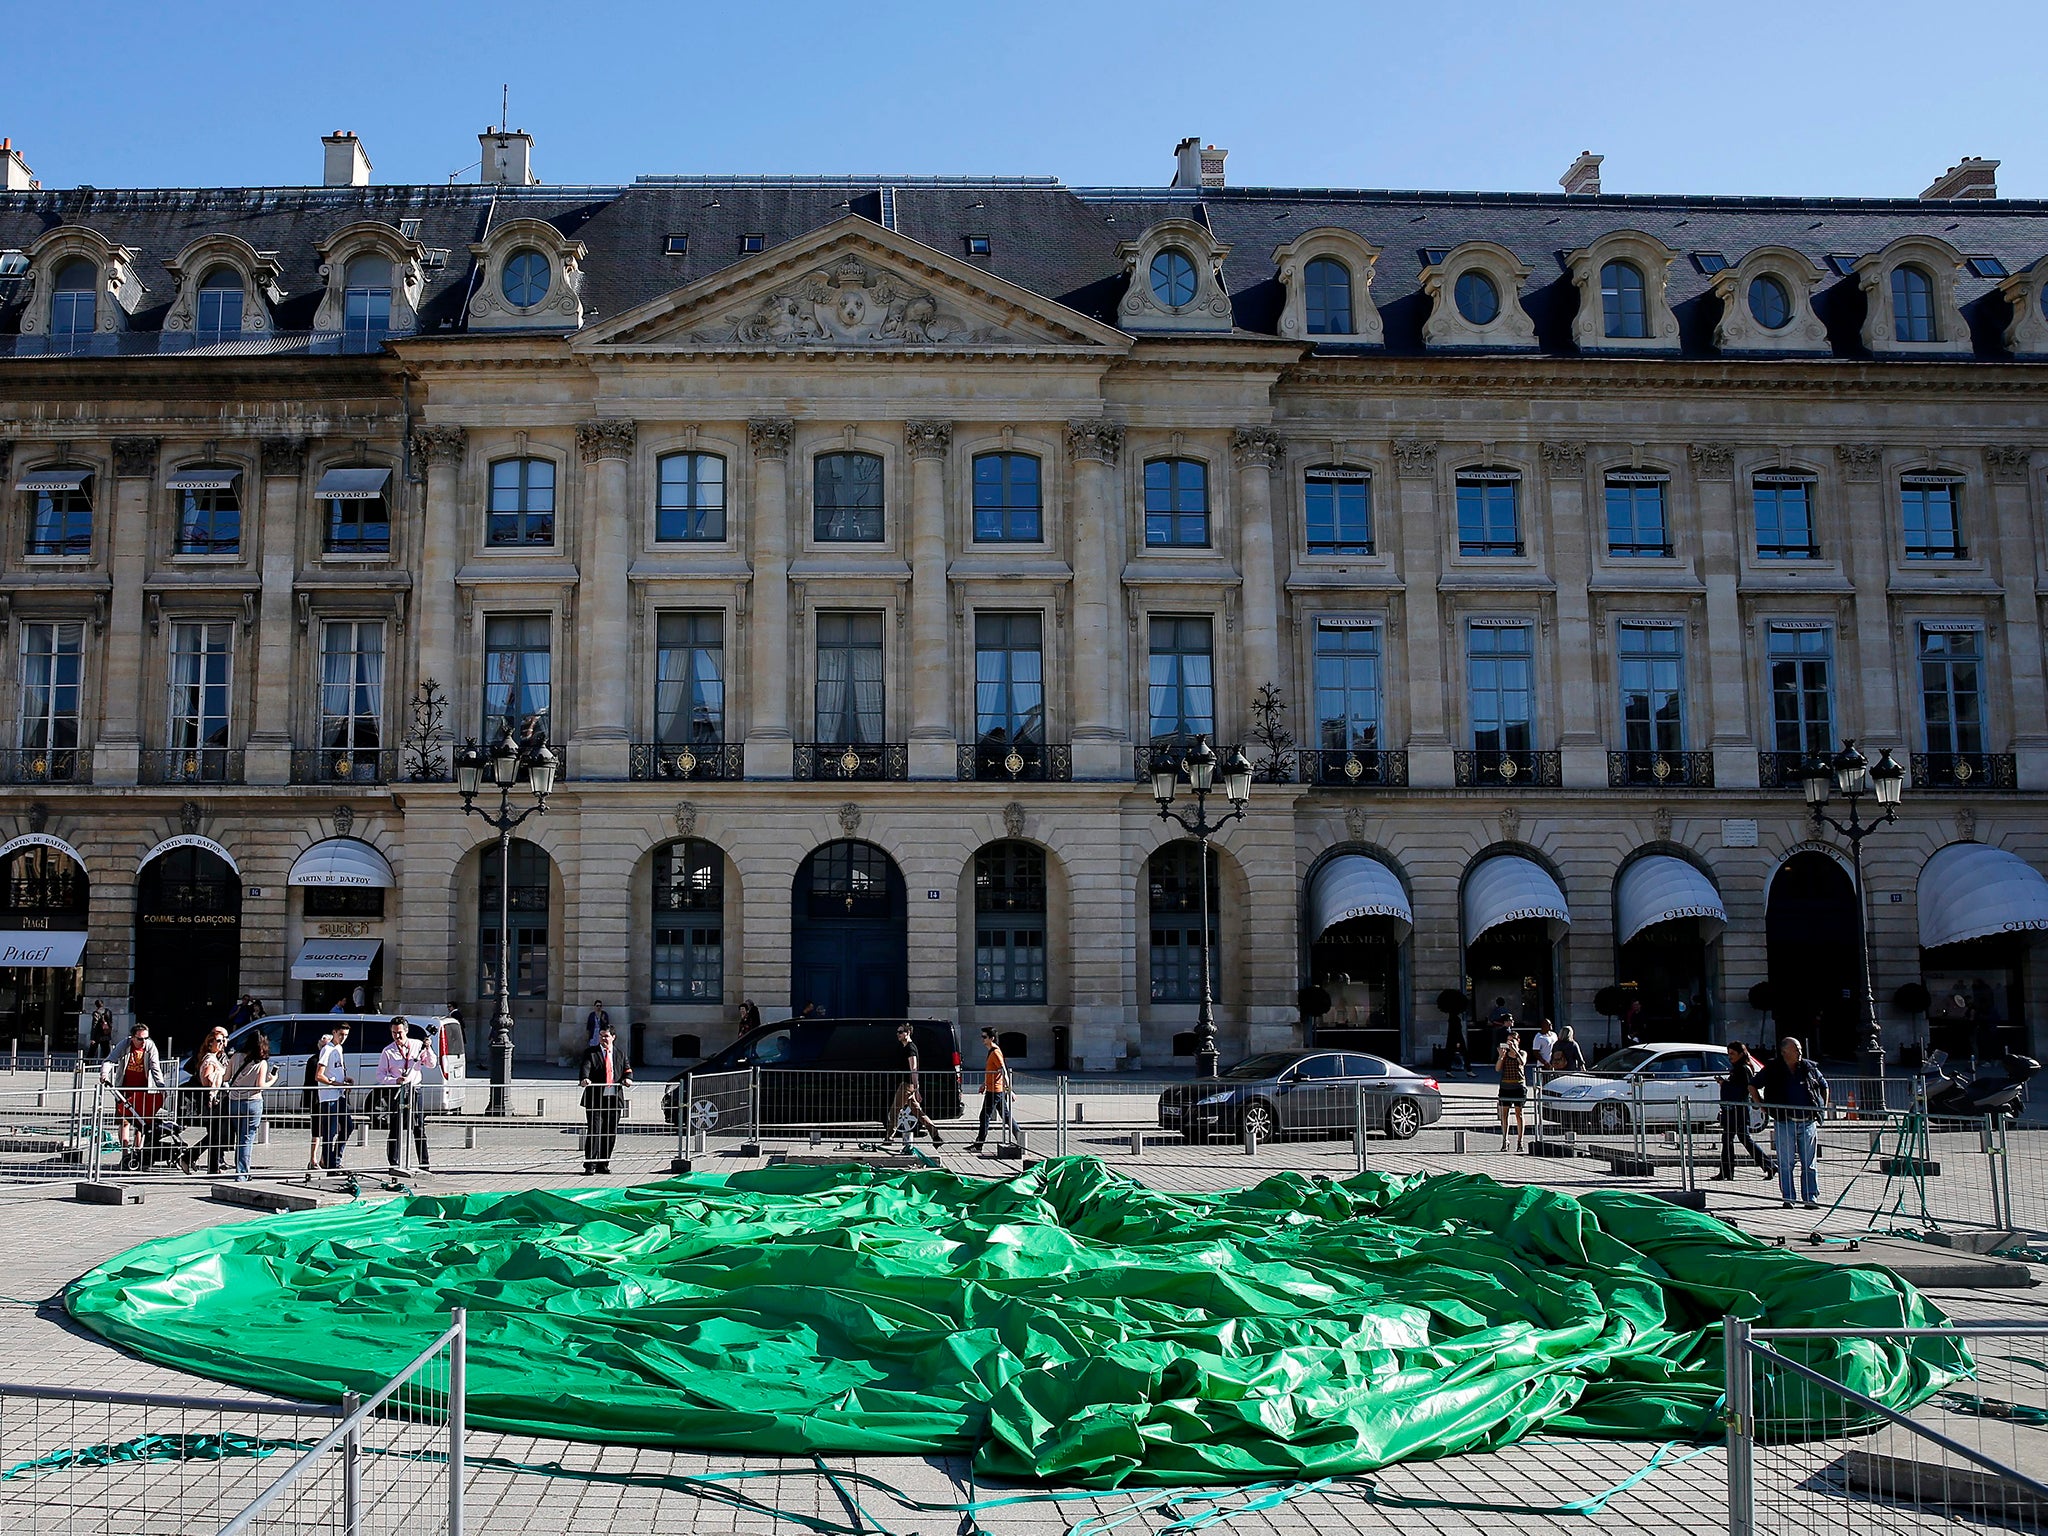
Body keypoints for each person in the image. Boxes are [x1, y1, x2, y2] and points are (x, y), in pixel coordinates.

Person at [1755, 1035, 1829, 1210]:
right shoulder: (1773, 1068)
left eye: (1800, 1049)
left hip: (1808, 1121)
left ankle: (1811, 1198)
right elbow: (1753, 1085)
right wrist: (1762, 1105)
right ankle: (1789, 1198)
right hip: (1784, 1121)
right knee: (1786, 1162)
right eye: (1796, 1049)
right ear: (1784, 1052)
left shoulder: (1808, 1067)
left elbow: (1824, 1085)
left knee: (1809, 1162)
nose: (1800, 1052)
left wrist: (1822, 1108)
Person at [103, 1023, 164, 1171]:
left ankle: (137, 1153)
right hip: (124, 1089)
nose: (143, 1042)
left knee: (140, 1123)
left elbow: (155, 1067)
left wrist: (161, 1086)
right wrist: (104, 1073)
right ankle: (125, 1154)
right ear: (133, 1037)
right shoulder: (124, 1044)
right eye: (140, 1039)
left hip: (143, 1089)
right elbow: (110, 1059)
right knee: (124, 1122)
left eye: (146, 1038)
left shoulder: (150, 1047)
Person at [1714, 1041, 1776, 1182]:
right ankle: (1726, 1172)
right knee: (1730, 1139)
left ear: (1741, 1054)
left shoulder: (1743, 1069)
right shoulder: (1739, 1068)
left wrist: (1724, 1084)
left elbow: (1743, 1089)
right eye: (1728, 1054)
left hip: (1738, 1109)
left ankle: (1769, 1166)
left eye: (1732, 1054)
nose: (1730, 1057)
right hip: (1735, 1109)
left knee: (1742, 1139)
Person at [377, 1018, 431, 1171]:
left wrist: (428, 1049)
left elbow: (431, 1064)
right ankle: (394, 1163)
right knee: (395, 1127)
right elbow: (380, 1075)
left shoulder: (417, 1045)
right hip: (398, 1091)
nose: (397, 1036)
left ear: (406, 1031)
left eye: (399, 1032)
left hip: (415, 1089)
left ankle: (424, 1164)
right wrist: (395, 1080)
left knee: (419, 1127)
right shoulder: (388, 1051)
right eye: (394, 1033)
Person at [577, 1020, 631, 1174]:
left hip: (614, 1099)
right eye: (601, 1036)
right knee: (594, 1131)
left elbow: (627, 1070)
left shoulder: (620, 1054)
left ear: (613, 1037)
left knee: (610, 1132)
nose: (603, 1039)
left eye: (606, 1036)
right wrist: (584, 1079)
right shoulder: (591, 1053)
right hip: (595, 1099)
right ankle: (590, 1165)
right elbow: (585, 1068)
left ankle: (604, 1163)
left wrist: (628, 1079)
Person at [225, 1031, 276, 1181]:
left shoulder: (235, 1057)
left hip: (234, 1101)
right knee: (246, 1138)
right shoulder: (261, 1062)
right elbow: (259, 1086)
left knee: (239, 1137)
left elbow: (226, 1077)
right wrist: (272, 1080)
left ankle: (240, 1170)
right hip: (252, 1102)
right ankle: (242, 1173)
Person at [884, 1023, 942, 1146]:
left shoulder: (910, 1048)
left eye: (900, 1032)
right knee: (918, 1112)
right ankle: (936, 1135)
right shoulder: (904, 1047)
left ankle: (889, 1138)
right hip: (907, 1084)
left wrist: (916, 1089)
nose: (898, 1034)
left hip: (907, 1085)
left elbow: (914, 1069)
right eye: (898, 1032)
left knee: (894, 1110)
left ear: (908, 1033)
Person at [184, 1025, 231, 1177]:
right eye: (218, 1040)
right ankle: (189, 1156)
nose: (222, 1043)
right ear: (210, 1043)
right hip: (212, 1099)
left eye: (223, 1040)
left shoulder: (217, 1057)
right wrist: (218, 1077)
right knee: (215, 1134)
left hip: (218, 1098)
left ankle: (212, 1165)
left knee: (216, 1134)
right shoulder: (210, 1058)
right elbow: (207, 1079)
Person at [966, 1027, 1021, 1153]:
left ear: (992, 1038)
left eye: (984, 1037)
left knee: (984, 1116)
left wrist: (1010, 1090)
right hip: (994, 1089)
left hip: (995, 1090)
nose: (982, 1039)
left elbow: (1003, 1071)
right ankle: (1020, 1136)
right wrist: (984, 1084)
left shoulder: (995, 1052)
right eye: (982, 1036)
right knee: (1005, 1116)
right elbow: (993, 1071)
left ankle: (979, 1145)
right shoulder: (991, 1051)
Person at [315, 1022, 353, 1172]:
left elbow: (335, 1070)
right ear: (334, 1033)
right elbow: (319, 1075)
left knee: (348, 1126)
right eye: (341, 1034)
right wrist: (336, 1083)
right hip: (329, 1096)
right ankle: (330, 1164)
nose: (343, 1038)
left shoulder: (339, 1048)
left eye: (346, 1035)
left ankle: (335, 1158)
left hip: (339, 1094)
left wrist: (344, 1080)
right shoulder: (327, 1050)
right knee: (330, 1132)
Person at [1495, 1030, 1528, 1151]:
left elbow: (1522, 1063)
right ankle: (1505, 1140)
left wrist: (1515, 1050)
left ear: (1518, 1041)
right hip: (1505, 1087)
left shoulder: (1522, 1052)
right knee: (1504, 1115)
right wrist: (1501, 1056)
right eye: (1508, 1040)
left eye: (1512, 1040)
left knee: (1519, 1114)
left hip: (1518, 1087)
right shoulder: (1505, 1054)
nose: (1510, 1043)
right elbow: (1497, 1069)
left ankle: (1520, 1141)